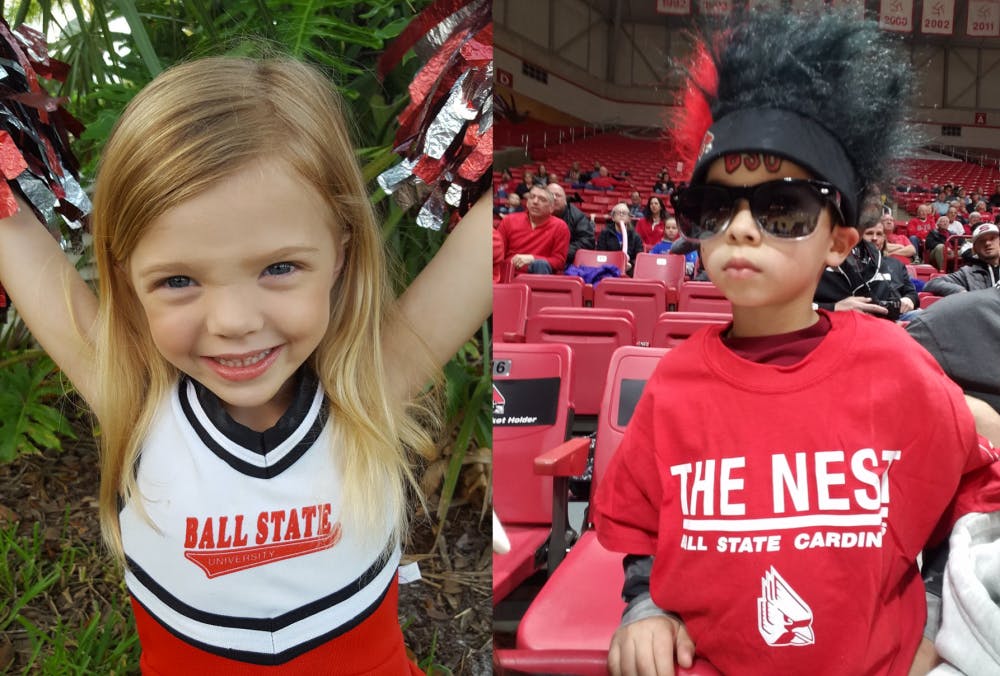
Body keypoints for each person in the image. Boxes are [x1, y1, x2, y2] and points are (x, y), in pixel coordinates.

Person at [0, 57, 491, 673]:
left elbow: (490, 230)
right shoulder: (134, 401)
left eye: (279, 268)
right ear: (126, 279)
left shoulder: (370, 390)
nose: (233, 320)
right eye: (178, 280)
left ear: (341, 254)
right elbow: (11, 228)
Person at [590, 9, 1000, 676]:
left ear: (840, 237)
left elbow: (974, 487)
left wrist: (934, 606)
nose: (742, 230)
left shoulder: (896, 365)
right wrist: (644, 608)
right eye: (716, 208)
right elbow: (643, 528)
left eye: (782, 209)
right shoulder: (674, 382)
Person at [497, 184, 570, 275]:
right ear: (527, 203)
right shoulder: (508, 221)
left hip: (540, 277)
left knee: (540, 264)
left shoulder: (560, 227)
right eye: (532, 197)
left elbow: (559, 262)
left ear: (551, 208)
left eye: (542, 199)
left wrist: (532, 258)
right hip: (508, 275)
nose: (535, 201)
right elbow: (496, 253)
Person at [924, 223, 1000, 295]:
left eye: (992, 238)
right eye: (982, 241)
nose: (987, 243)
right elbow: (932, 284)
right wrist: (962, 292)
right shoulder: (968, 273)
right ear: (975, 248)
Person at [547, 182, 595, 267]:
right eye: (550, 195)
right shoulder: (535, 214)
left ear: (565, 200)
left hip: (568, 262)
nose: (554, 198)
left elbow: (587, 241)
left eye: (558, 195)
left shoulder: (578, 216)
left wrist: (560, 252)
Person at [597, 202, 643, 275]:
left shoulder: (635, 236)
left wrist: (630, 265)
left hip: (629, 271)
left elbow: (639, 257)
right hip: (608, 269)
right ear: (613, 217)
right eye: (618, 213)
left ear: (629, 218)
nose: (621, 215)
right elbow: (600, 253)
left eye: (624, 213)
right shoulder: (605, 233)